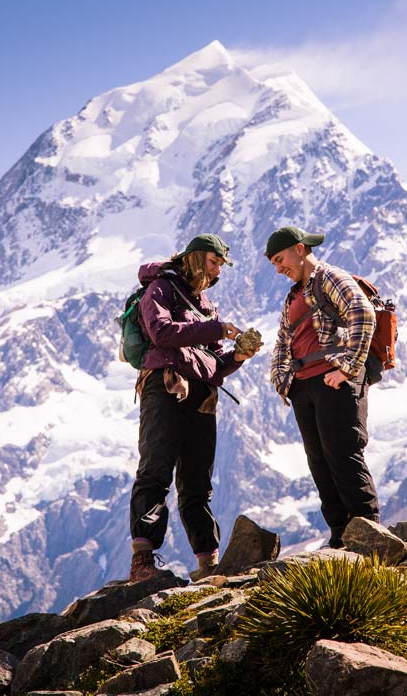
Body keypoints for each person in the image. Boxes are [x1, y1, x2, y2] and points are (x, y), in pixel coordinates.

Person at [129, 233, 258, 582]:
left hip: (202, 396)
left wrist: (238, 356)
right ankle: (142, 559)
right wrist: (215, 327)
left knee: (197, 483)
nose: (217, 271)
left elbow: (213, 361)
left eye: (221, 265)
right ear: (197, 258)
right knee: (156, 470)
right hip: (165, 385)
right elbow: (161, 332)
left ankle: (207, 563)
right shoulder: (161, 288)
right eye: (214, 262)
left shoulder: (206, 305)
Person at [266, 226, 380, 548]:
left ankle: (370, 538)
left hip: (335, 380)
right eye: (274, 264)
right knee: (319, 462)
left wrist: (347, 368)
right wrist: (283, 381)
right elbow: (283, 340)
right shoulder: (293, 294)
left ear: (300, 249)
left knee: (343, 456)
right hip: (305, 386)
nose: (278, 269)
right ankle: (340, 538)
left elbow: (363, 314)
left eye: (280, 259)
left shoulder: (329, 277)